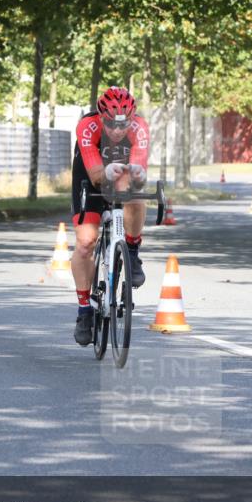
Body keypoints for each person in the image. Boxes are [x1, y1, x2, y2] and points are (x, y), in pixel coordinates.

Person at [70, 86, 150, 346]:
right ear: (101, 117)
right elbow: (95, 176)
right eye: (110, 124)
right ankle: (84, 310)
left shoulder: (140, 128)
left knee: (135, 194)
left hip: (122, 174)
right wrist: (106, 171)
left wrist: (137, 173)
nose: (117, 131)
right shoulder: (87, 126)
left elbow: (140, 170)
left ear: (132, 118)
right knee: (85, 242)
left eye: (123, 124)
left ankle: (132, 251)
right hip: (90, 176)